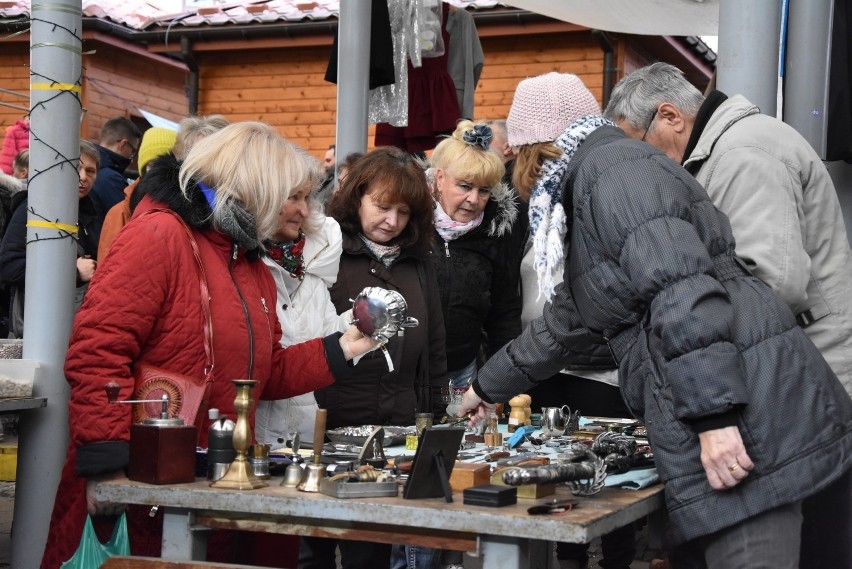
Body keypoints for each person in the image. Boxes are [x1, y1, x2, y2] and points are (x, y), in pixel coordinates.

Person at [459, 72, 852, 569]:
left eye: (516, 159)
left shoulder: (614, 175)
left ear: (537, 149)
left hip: (746, 411)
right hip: (736, 398)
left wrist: (716, 420)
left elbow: (680, 289)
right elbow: (567, 321)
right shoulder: (599, 178)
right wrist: (486, 388)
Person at [39, 122, 378, 569]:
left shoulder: (250, 262)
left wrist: (347, 346)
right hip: (144, 483)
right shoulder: (158, 235)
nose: (304, 211)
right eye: (294, 196)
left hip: (207, 487)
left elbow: (264, 374)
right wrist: (107, 464)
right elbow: (96, 352)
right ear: (256, 187)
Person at [603, 61, 852, 569]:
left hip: (805, 378)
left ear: (670, 116)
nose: (638, 163)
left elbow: (768, 281)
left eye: (636, 143)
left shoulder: (743, 153)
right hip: (795, 373)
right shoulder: (728, 148)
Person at [500, 74, 636, 569]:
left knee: (615, 494)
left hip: (600, 373)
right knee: (557, 495)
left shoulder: (589, 195)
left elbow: (589, 299)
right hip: (546, 370)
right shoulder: (537, 207)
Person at [299, 146, 447, 569]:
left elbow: (433, 344)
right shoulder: (326, 252)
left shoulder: (419, 262)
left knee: (372, 548)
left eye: (403, 212)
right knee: (315, 547)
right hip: (330, 422)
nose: (392, 222)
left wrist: (435, 414)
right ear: (357, 197)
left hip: (394, 427)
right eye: (382, 207)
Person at [255, 155, 343, 450]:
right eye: (293, 197)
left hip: (299, 441)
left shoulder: (313, 268)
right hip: (247, 439)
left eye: (307, 197)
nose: (304, 210)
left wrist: (362, 323)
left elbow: (327, 337)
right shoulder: (242, 265)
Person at [0, 141, 102, 338]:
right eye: (77, 167)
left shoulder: (92, 215)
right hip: (35, 333)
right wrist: (72, 272)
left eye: (90, 171)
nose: (83, 177)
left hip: (75, 329)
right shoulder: (31, 208)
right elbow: (8, 266)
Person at [98, 126, 177, 260]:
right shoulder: (120, 212)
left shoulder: (189, 210)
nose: (160, 172)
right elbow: (107, 267)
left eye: (166, 165)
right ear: (143, 169)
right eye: (153, 165)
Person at [88, 116, 142, 215]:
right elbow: (125, 217)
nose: (132, 155)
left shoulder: (88, 163)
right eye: (133, 150)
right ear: (123, 144)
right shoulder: (111, 179)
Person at [314, 143, 336, 209]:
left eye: (328, 160)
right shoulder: (323, 181)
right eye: (325, 161)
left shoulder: (336, 183)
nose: (325, 165)